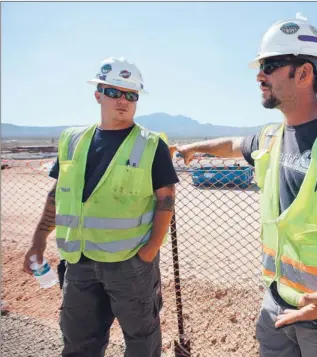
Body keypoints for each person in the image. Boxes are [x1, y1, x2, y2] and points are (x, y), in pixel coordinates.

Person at [171, 17, 317, 357]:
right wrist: (196, 147)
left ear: (303, 73)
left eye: (270, 66)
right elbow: (237, 143)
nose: (259, 75)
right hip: (278, 299)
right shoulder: (272, 136)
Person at [23, 57, 179, 357]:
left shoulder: (149, 144)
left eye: (131, 95)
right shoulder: (72, 140)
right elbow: (57, 194)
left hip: (129, 265)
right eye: (114, 92)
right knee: (79, 341)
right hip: (78, 262)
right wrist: (38, 241)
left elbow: (166, 200)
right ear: (98, 95)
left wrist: (148, 253)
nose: (123, 101)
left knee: (141, 341)